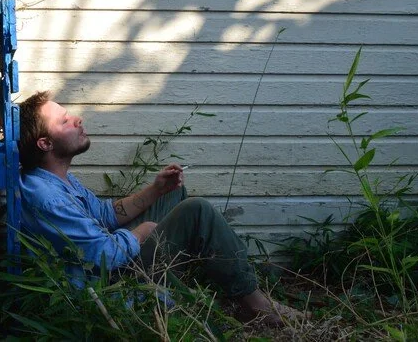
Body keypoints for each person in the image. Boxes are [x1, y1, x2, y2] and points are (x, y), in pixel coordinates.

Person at [17, 91, 304, 326]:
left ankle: (182, 287)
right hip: (110, 280)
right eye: (65, 120)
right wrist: (141, 233)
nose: (78, 119)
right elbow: (102, 255)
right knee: (197, 211)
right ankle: (255, 304)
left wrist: (156, 189)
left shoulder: (58, 178)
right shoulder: (46, 197)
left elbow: (104, 214)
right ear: (45, 143)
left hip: (115, 258)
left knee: (172, 197)